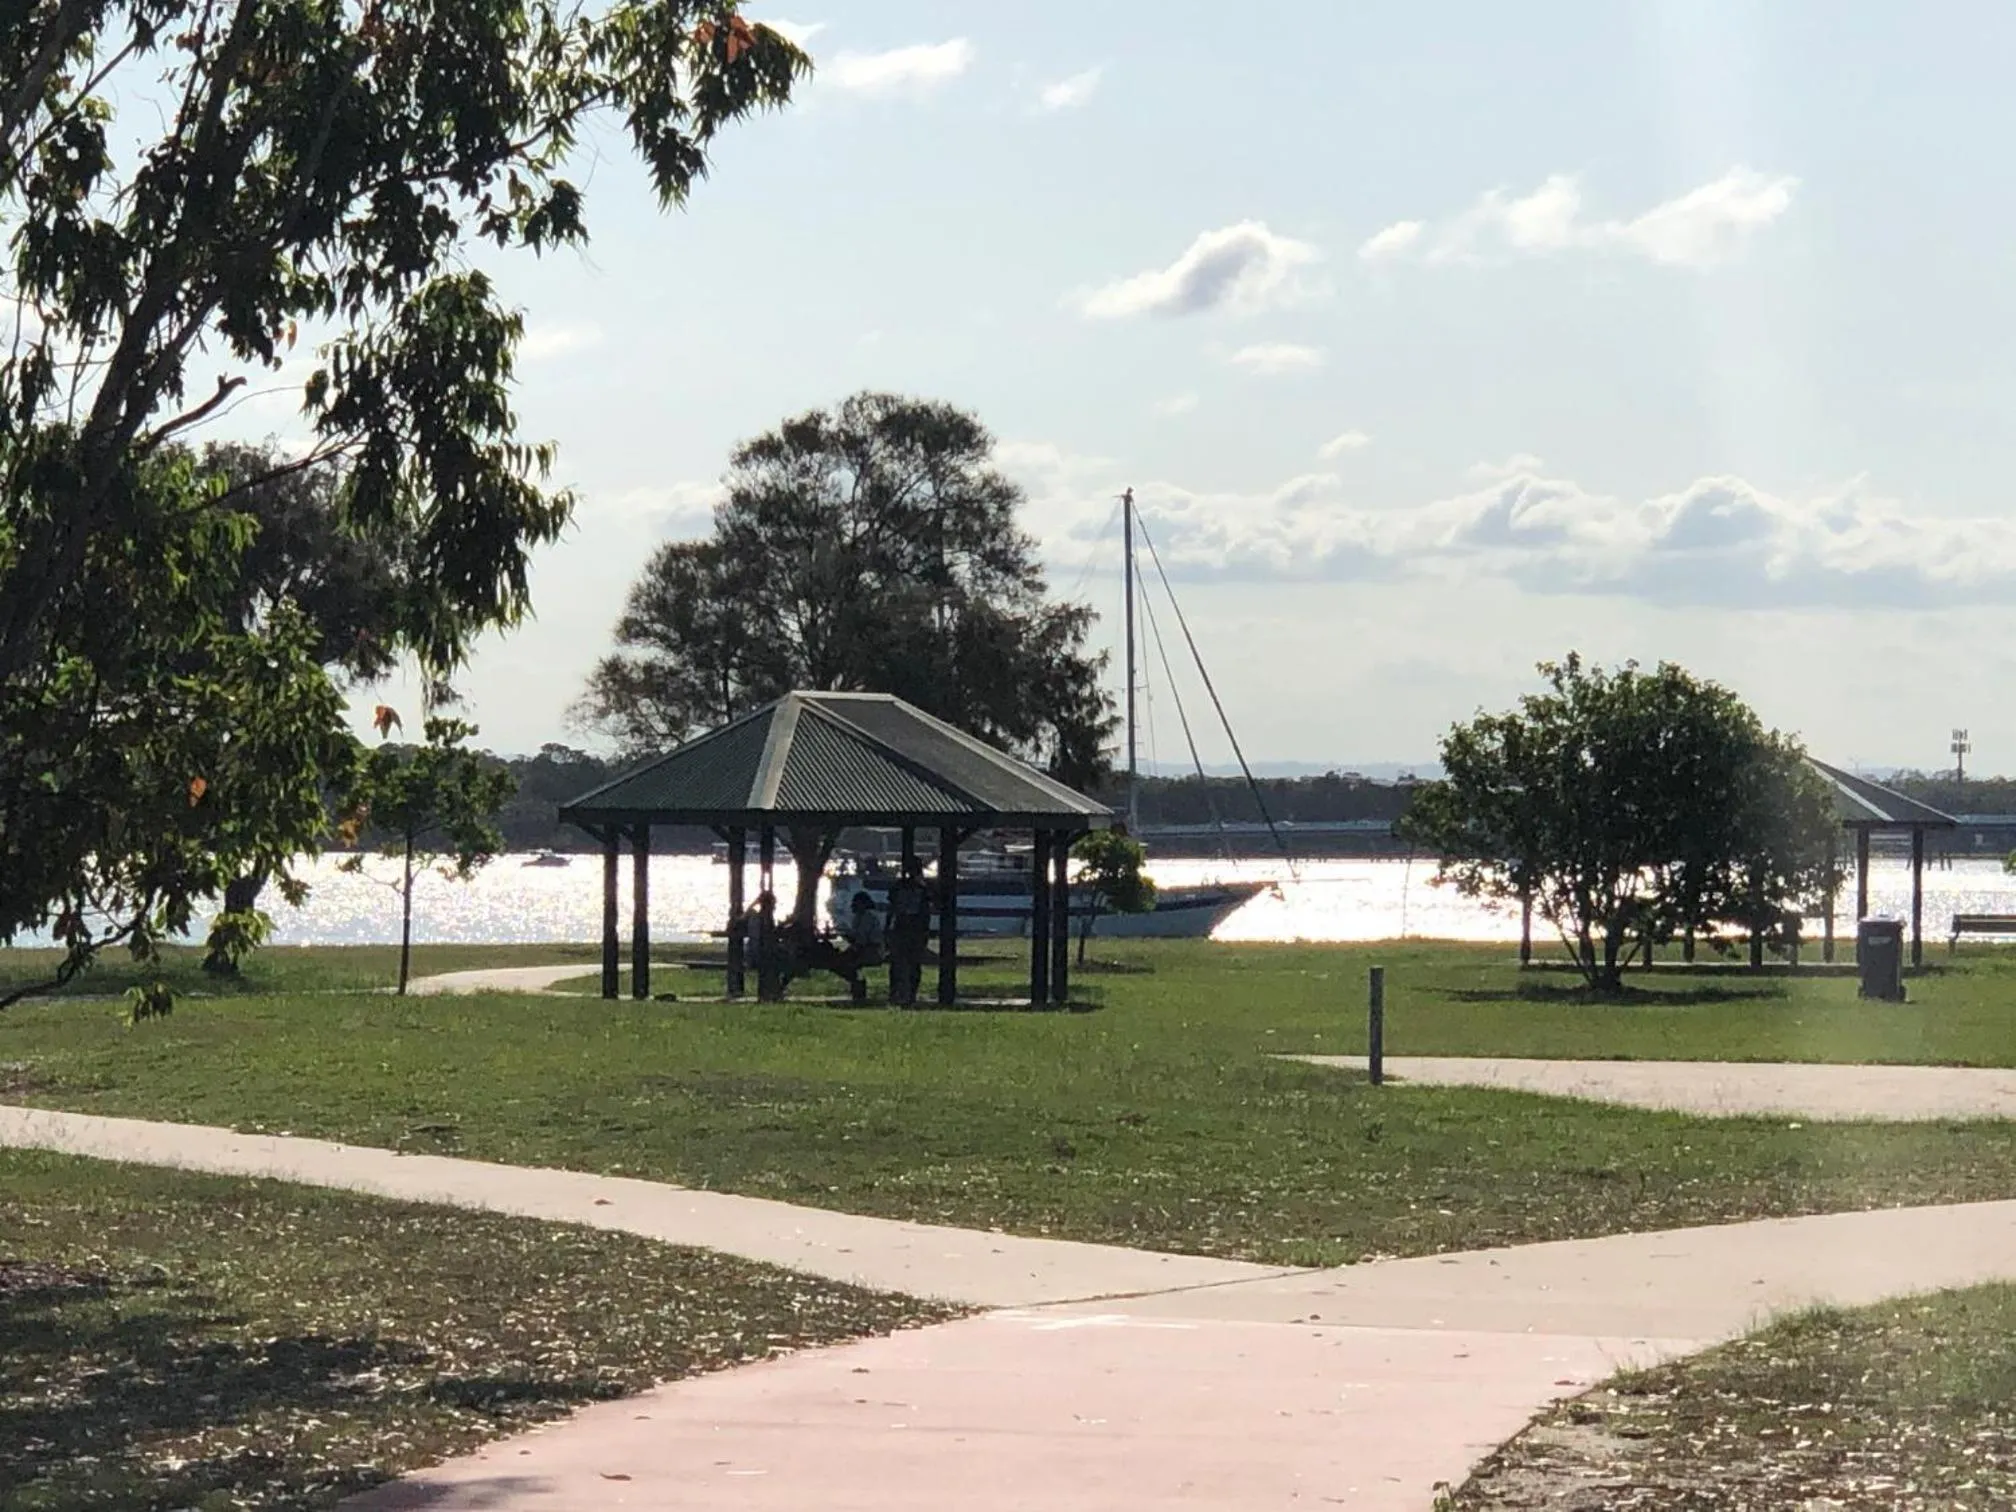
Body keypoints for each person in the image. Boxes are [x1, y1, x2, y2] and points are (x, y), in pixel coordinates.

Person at [885, 859, 932, 1005]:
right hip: (913, 928)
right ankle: (909, 993)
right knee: (912, 963)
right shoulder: (922, 889)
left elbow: (892, 909)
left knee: (900, 962)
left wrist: (887, 928)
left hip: (904, 927)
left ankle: (898, 992)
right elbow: (926, 913)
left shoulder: (899, 887)